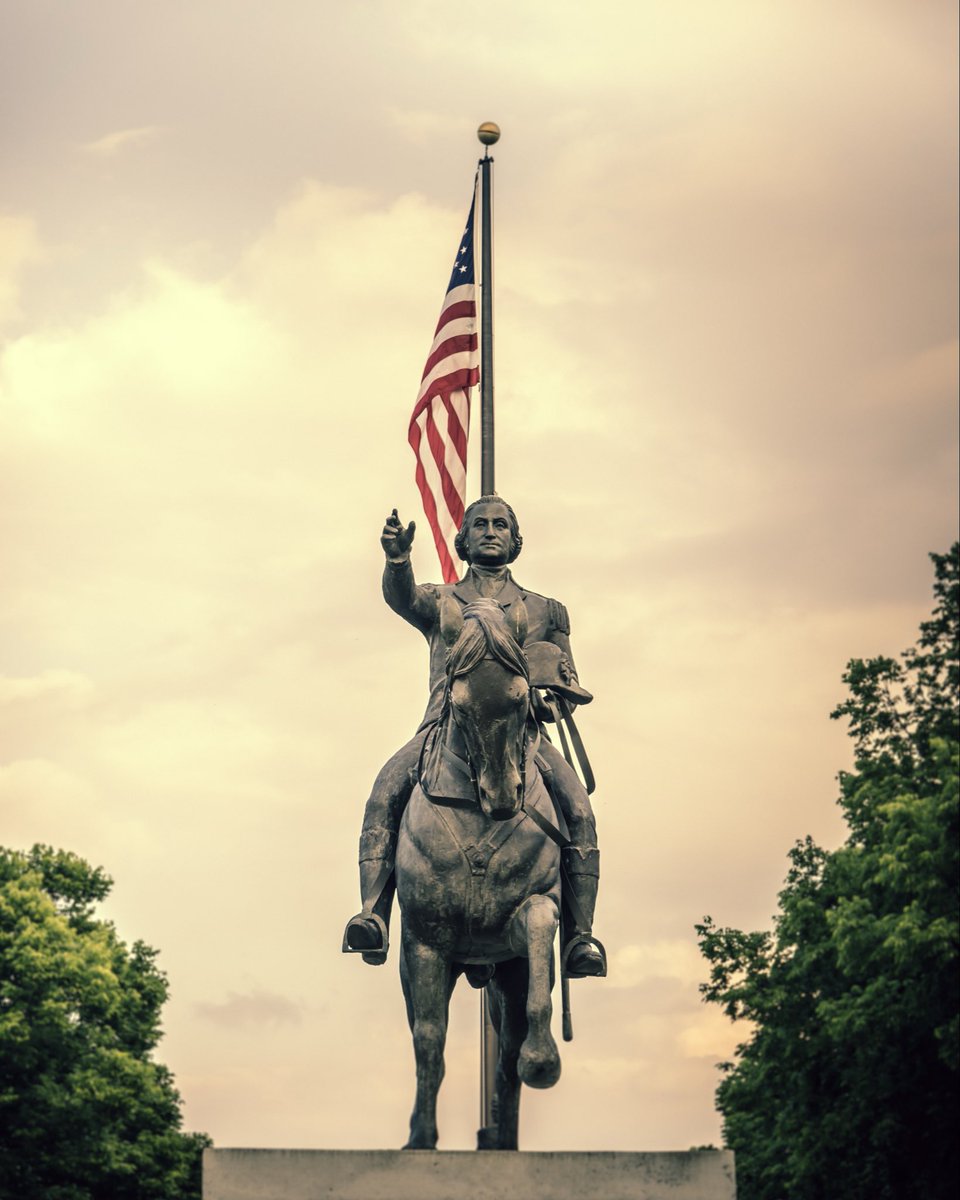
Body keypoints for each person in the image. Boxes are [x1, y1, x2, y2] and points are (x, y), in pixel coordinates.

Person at [343, 496, 605, 977]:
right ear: (463, 540)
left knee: (579, 809)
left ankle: (581, 935)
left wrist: (549, 703)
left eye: (501, 524)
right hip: (444, 726)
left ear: (515, 539)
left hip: (521, 735)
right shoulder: (443, 601)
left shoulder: (547, 610)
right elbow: (401, 598)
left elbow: (567, 683)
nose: (490, 531)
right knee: (384, 791)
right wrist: (397, 560)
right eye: (480, 524)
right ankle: (373, 913)